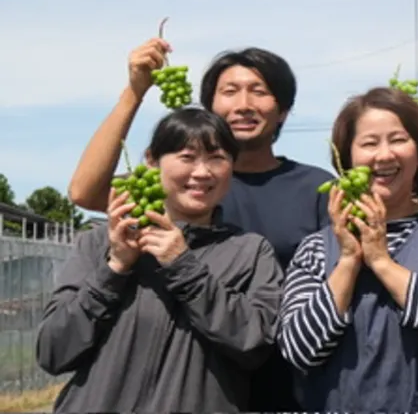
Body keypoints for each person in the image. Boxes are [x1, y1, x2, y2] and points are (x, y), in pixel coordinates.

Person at [65, 38, 333, 411]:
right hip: (189, 386)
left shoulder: (316, 189)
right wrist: (134, 92)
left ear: (284, 110)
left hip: (281, 385)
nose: (243, 104)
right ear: (210, 106)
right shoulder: (182, 186)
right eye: (230, 91)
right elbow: (83, 191)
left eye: (260, 91)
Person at [37, 108, 282, 413]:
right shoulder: (99, 242)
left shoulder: (250, 252)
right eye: (187, 157)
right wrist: (114, 268)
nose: (203, 172)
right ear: (152, 161)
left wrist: (184, 267)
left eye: (217, 158)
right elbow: (53, 352)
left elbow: (255, 346)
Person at [279, 87, 418, 413]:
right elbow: (298, 348)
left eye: (398, 140)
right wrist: (349, 261)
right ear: (347, 157)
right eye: (369, 143)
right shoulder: (315, 249)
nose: (384, 155)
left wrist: (380, 260)